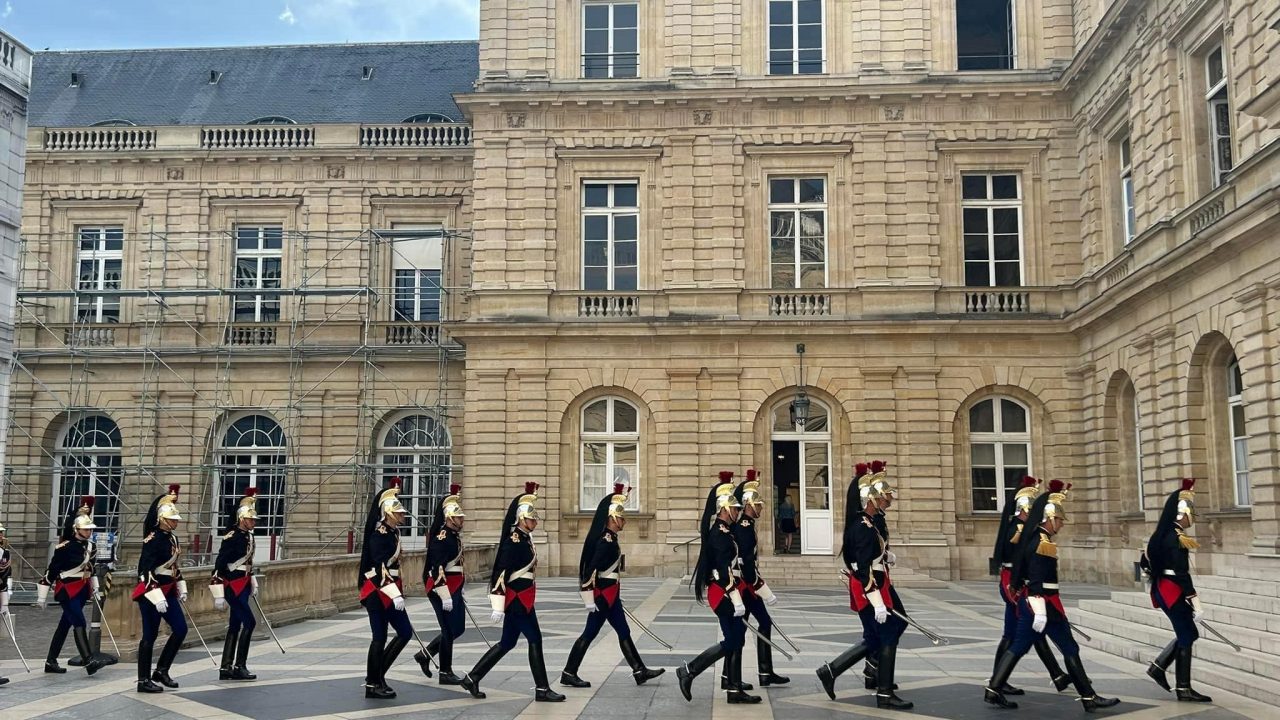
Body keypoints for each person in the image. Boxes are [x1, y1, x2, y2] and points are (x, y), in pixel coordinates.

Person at [985, 481, 1120, 712]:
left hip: (1040, 604)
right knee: (1062, 648)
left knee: (1024, 646)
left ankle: (994, 689)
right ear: (1049, 518)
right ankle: (1088, 697)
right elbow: (1037, 580)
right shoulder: (1042, 543)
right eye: (1059, 520)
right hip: (1043, 604)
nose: (1061, 525)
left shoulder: (1035, 538)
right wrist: (1039, 611)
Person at [461, 482, 565, 702]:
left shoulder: (525, 538)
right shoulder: (514, 541)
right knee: (535, 639)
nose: (535, 522)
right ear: (521, 519)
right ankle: (542, 689)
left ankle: (472, 677)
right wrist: (498, 605)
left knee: (507, 643)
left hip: (523, 598)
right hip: (517, 600)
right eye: (532, 518)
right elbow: (500, 572)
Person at [561, 483, 664, 688]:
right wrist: (589, 598)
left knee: (623, 631)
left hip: (610, 596)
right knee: (590, 633)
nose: (624, 521)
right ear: (612, 518)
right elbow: (590, 569)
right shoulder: (605, 541)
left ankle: (639, 670)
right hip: (602, 598)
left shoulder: (611, 538)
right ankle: (569, 672)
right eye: (621, 517)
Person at [677, 471, 759, 704]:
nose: (737, 511)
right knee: (732, 640)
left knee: (736, 639)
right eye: (733, 508)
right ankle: (689, 670)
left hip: (727, 592)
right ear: (723, 509)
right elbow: (724, 572)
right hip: (723, 593)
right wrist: (737, 599)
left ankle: (733, 688)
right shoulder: (720, 535)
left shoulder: (725, 531)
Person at [990, 477, 1069, 695]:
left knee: (1015, 632)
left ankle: (999, 681)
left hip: (1014, 581)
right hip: (1013, 582)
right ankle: (997, 682)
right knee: (1026, 631)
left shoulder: (1019, 527)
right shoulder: (1018, 529)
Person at [1142, 478, 1211, 702]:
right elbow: (1182, 573)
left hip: (1164, 589)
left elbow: (1145, 561)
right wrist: (1196, 603)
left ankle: (1160, 668)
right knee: (1188, 634)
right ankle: (1182, 687)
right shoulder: (1177, 537)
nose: (1192, 519)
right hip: (1172, 590)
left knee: (1187, 633)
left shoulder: (1162, 533)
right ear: (1183, 513)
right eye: (1191, 514)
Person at [719, 469, 786, 691]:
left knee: (762, 624)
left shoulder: (747, 525)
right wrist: (763, 589)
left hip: (748, 586)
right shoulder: (744, 528)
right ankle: (731, 677)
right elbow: (746, 564)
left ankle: (763, 672)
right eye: (757, 505)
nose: (760, 508)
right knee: (739, 632)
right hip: (745, 587)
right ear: (747, 505)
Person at [38, 496, 108, 677]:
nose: (89, 532)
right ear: (77, 529)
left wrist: (96, 589)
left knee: (64, 626)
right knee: (79, 621)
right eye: (86, 529)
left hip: (81, 589)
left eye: (90, 529)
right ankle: (89, 661)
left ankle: (50, 661)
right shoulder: (64, 547)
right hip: (67, 589)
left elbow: (90, 570)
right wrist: (42, 596)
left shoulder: (91, 547)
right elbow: (51, 571)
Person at [357, 478, 414, 699]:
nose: (402, 516)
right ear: (388, 512)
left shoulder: (391, 533)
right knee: (379, 637)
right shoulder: (379, 534)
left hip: (389, 590)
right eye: (398, 513)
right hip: (377, 591)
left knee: (404, 632)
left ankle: (378, 675)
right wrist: (394, 593)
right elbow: (378, 567)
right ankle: (373, 683)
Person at [132, 485, 189, 693]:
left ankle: (162, 669)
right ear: (162, 519)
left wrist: (181, 585)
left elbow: (173, 566)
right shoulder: (153, 539)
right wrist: (156, 595)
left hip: (169, 590)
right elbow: (144, 570)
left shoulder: (173, 538)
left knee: (181, 629)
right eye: (172, 519)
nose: (175, 522)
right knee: (150, 635)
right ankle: (143, 680)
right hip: (151, 593)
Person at [413, 483, 468, 684]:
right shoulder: (441, 537)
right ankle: (445, 672)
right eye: (459, 517)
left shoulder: (453, 536)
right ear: (449, 518)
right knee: (448, 631)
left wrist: (459, 589)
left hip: (454, 588)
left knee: (458, 629)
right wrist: (445, 594)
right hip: (440, 589)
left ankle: (425, 655)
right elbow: (436, 568)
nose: (462, 520)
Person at [211, 487, 260, 681]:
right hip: (233, 586)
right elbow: (219, 566)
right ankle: (240, 665)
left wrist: (253, 580)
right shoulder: (231, 537)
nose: (254, 522)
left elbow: (247, 563)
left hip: (244, 584)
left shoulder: (249, 536)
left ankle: (226, 667)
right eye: (251, 519)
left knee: (235, 624)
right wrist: (218, 594)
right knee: (250, 622)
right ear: (242, 518)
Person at [0, 522, 11, 686]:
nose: (1, 536)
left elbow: (4, 579)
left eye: (1, 533)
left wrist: (5, 603)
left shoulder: (4, 553)